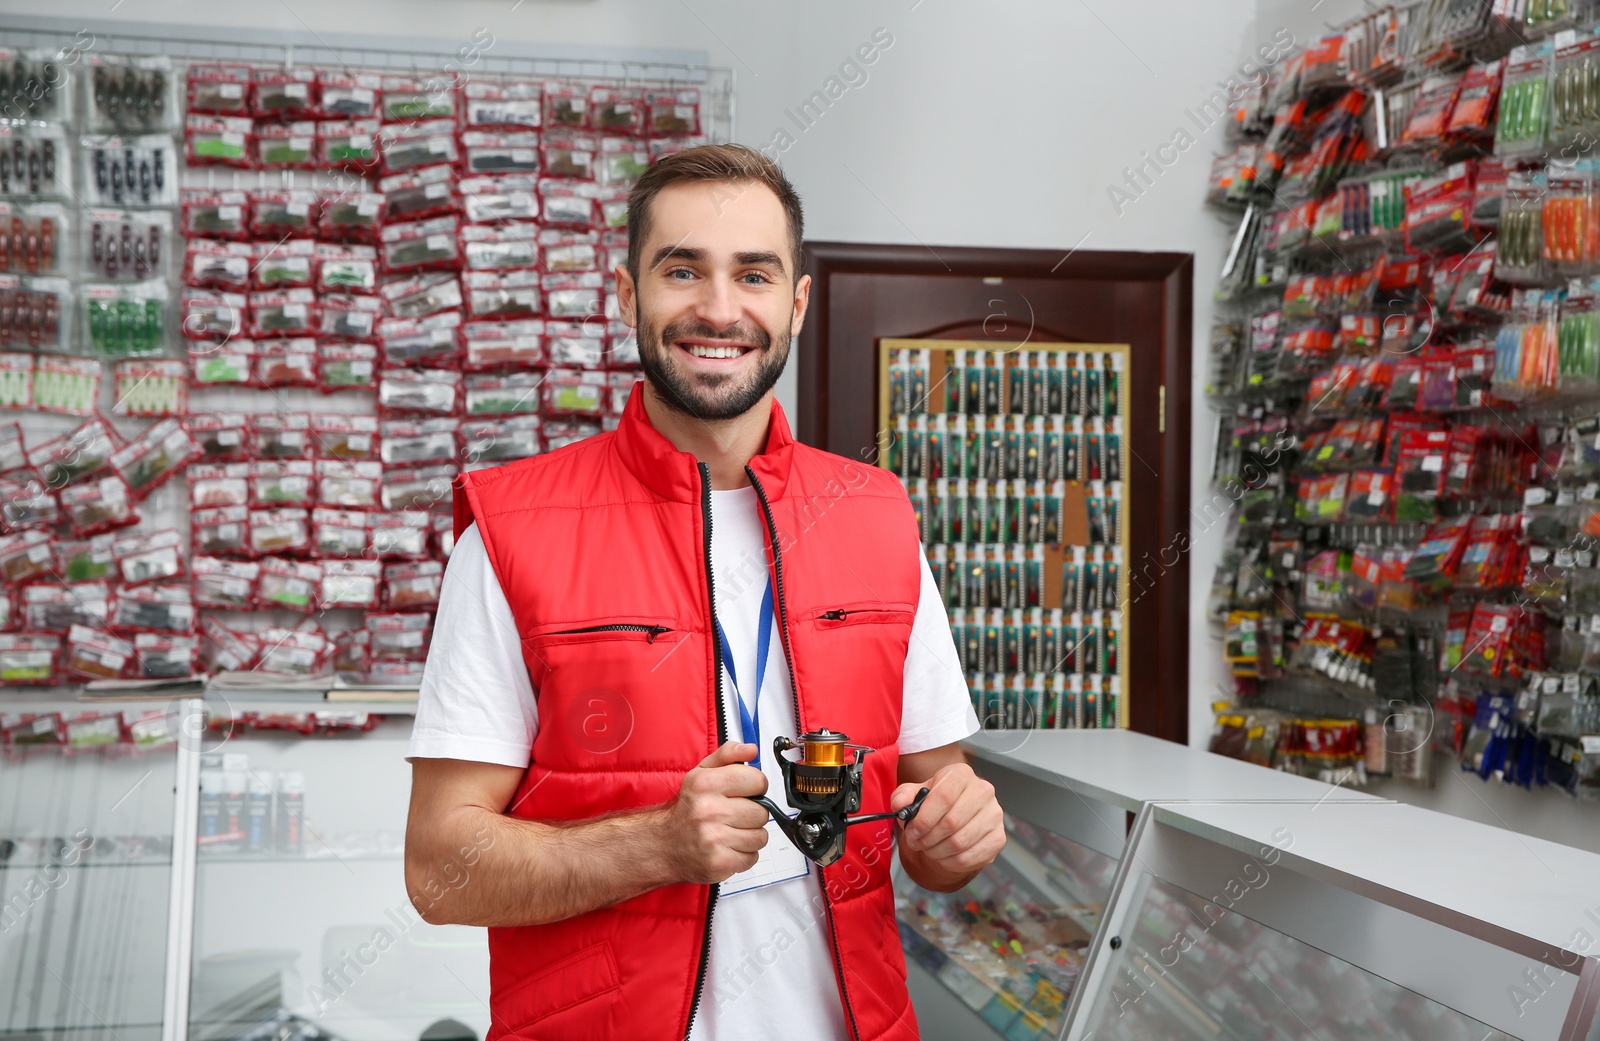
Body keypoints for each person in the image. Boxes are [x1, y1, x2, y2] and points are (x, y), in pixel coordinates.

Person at [404, 143, 1005, 1041]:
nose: (719, 309)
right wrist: (656, 844)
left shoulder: (877, 517)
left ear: (796, 302)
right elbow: (439, 871)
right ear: (625, 293)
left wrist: (954, 831)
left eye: (754, 274)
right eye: (682, 269)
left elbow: (934, 790)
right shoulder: (510, 533)